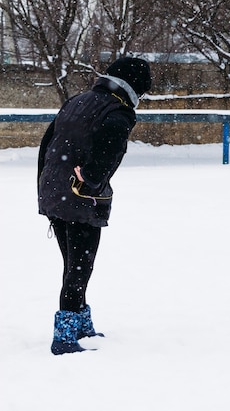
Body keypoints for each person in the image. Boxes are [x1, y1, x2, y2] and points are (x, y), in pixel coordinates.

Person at [37, 57, 152, 355]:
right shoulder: (118, 111)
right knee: (79, 267)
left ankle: (80, 323)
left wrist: (46, 185)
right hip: (80, 197)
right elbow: (109, 150)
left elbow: (47, 142)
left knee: (74, 265)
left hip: (54, 192)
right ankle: (64, 336)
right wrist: (90, 177)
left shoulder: (78, 101)